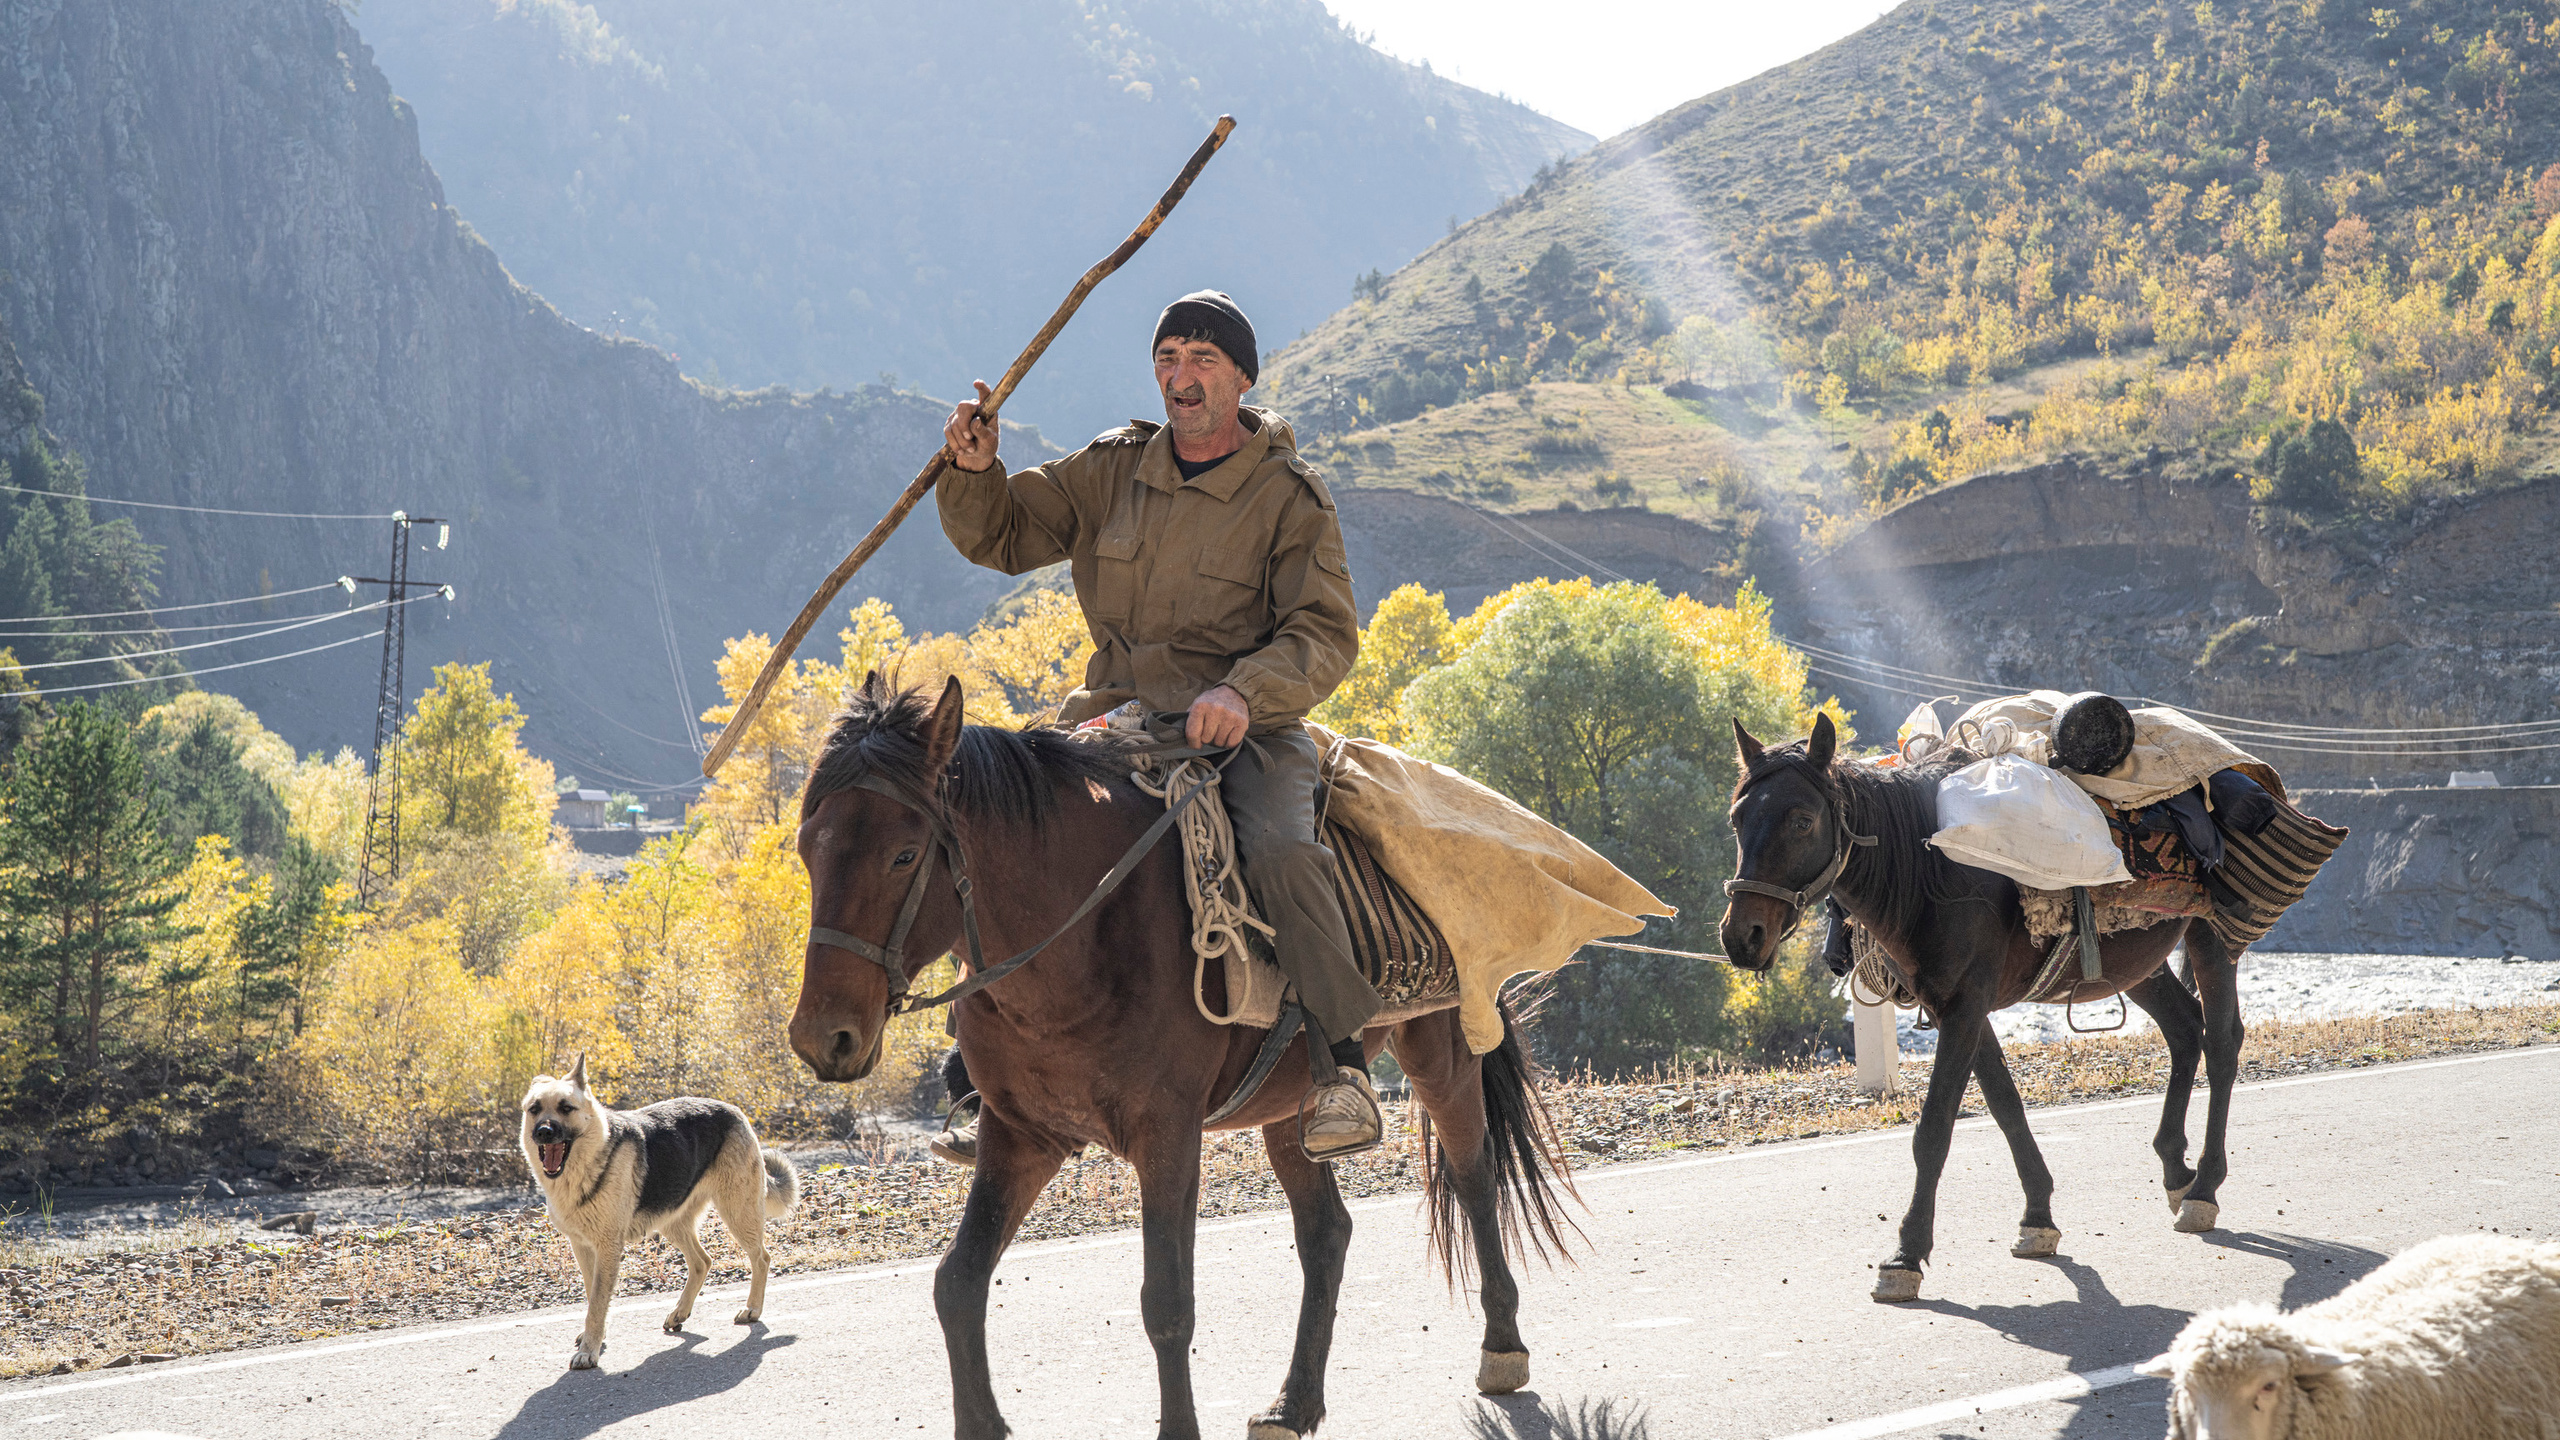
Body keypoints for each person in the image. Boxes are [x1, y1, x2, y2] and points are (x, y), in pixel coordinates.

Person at [932, 289, 1381, 1163]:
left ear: (1242, 379)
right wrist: (978, 471)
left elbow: (1323, 632)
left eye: (1203, 360)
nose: (1181, 377)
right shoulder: (1112, 469)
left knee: (1284, 855)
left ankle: (1340, 1068)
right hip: (1113, 720)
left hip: (1244, 728)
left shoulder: (1290, 498)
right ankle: (982, 1069)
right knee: (991, 830)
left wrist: (1246, 692)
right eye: (1168, 358)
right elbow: (1010, 536)